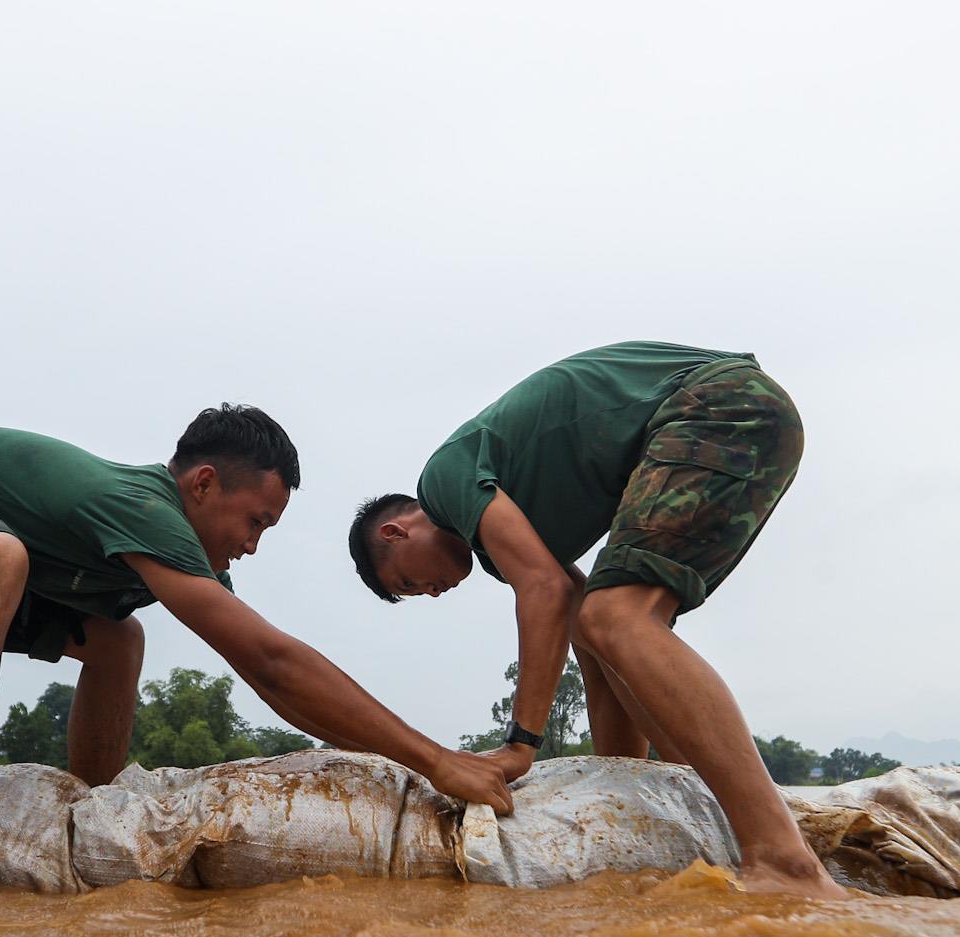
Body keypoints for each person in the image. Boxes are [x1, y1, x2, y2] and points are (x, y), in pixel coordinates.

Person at [0, 408, 511, 891]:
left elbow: (271, 656)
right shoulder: (143, 507)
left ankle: (83, 818)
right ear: (203, 484)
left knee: (117, 637)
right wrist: (436, 762)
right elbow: (271, 665)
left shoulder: (172, 540)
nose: (253, 544)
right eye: (254, 520)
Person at [346, 341, 848, 899]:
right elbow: (578, 619)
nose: (432, 592)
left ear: (396, 532)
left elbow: (545, 588)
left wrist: (520, 745)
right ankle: (678, 791)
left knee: (617, 617)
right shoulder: (495, 543)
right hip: (736, 415)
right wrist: (617, 779)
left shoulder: (443, 480)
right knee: (604, 620)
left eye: (410, 583)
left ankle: (784, 859)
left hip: (713, 407)